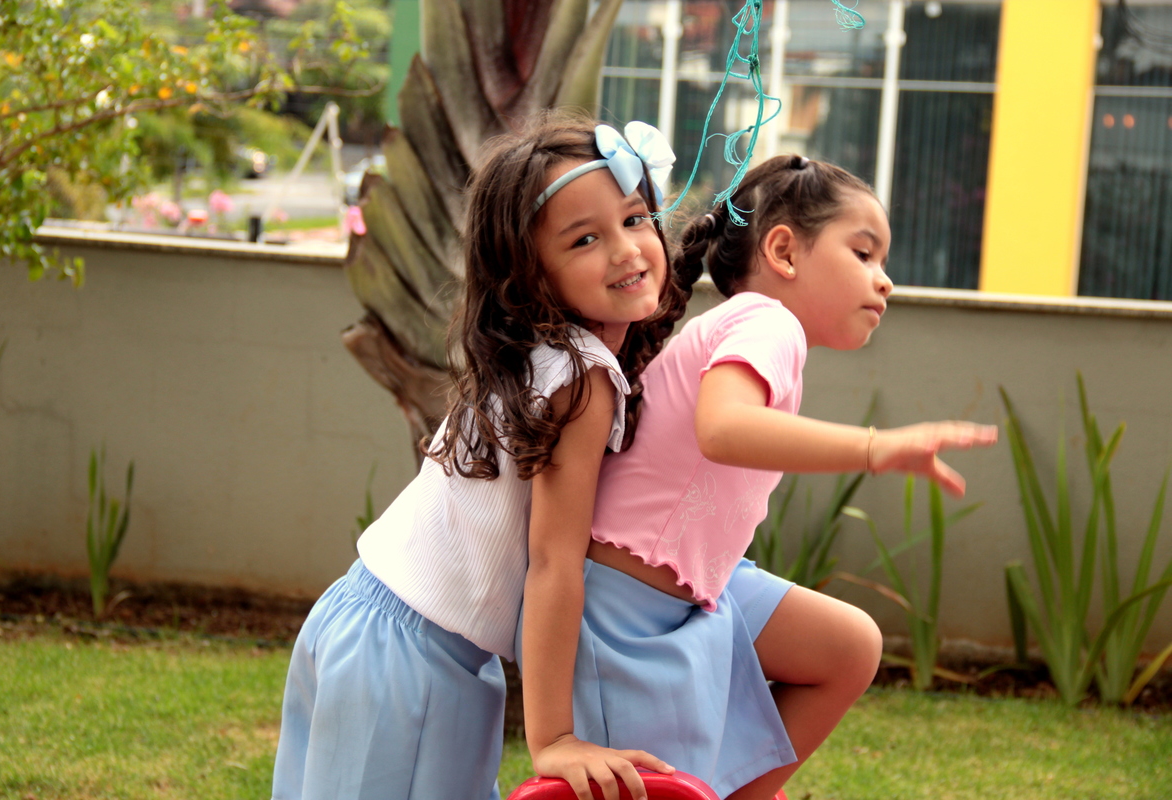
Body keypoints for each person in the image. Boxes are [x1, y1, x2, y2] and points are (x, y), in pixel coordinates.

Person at [540, 154, 998, 800]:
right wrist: (877, 448)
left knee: (847, 647)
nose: (884, 281)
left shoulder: (753, 328)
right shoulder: (766, 321)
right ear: (783, 250)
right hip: (632, 611)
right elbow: (723, 430)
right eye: (864, 254)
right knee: (653, 786)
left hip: (703, 590)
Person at [270, 114, 682, 800]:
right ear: (531, 272)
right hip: (416, 656)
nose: (625, 250)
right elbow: (555, 560)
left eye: (635, 219)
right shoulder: (581, 376)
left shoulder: (537, 355)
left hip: (360, 619)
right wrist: (552, 737)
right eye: (584, 238)